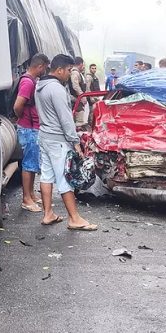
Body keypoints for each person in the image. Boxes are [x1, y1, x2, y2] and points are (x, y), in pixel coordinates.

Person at [35, 54, 98, 231]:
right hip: (57, 140)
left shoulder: (40, 86)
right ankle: (74, 218)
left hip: (45, 136)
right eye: (69, 70)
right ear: (59, 69)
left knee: (46, 176)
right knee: (65, 178)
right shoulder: (56, 89)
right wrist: (75, 141)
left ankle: (48, 214)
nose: (70, 74)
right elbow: (65, 119)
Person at [13, 53, 50, 212]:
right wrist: (24, 119)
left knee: (32, 162)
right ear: (40, 66)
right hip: (28, 129)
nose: (45, 71)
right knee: (28, 164)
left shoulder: (30, 80)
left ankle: (32, 195)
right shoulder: (28, 83)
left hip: (32, 127)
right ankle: (26, 199)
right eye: (45, 68)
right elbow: (17, 106)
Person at [70, 56, 89, 128]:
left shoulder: (77, 73)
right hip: (76, 101)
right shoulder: (75, 73)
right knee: (79, 122)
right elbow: (75, 86)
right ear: (80, 64)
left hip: (77, 100)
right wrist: (82, 97)